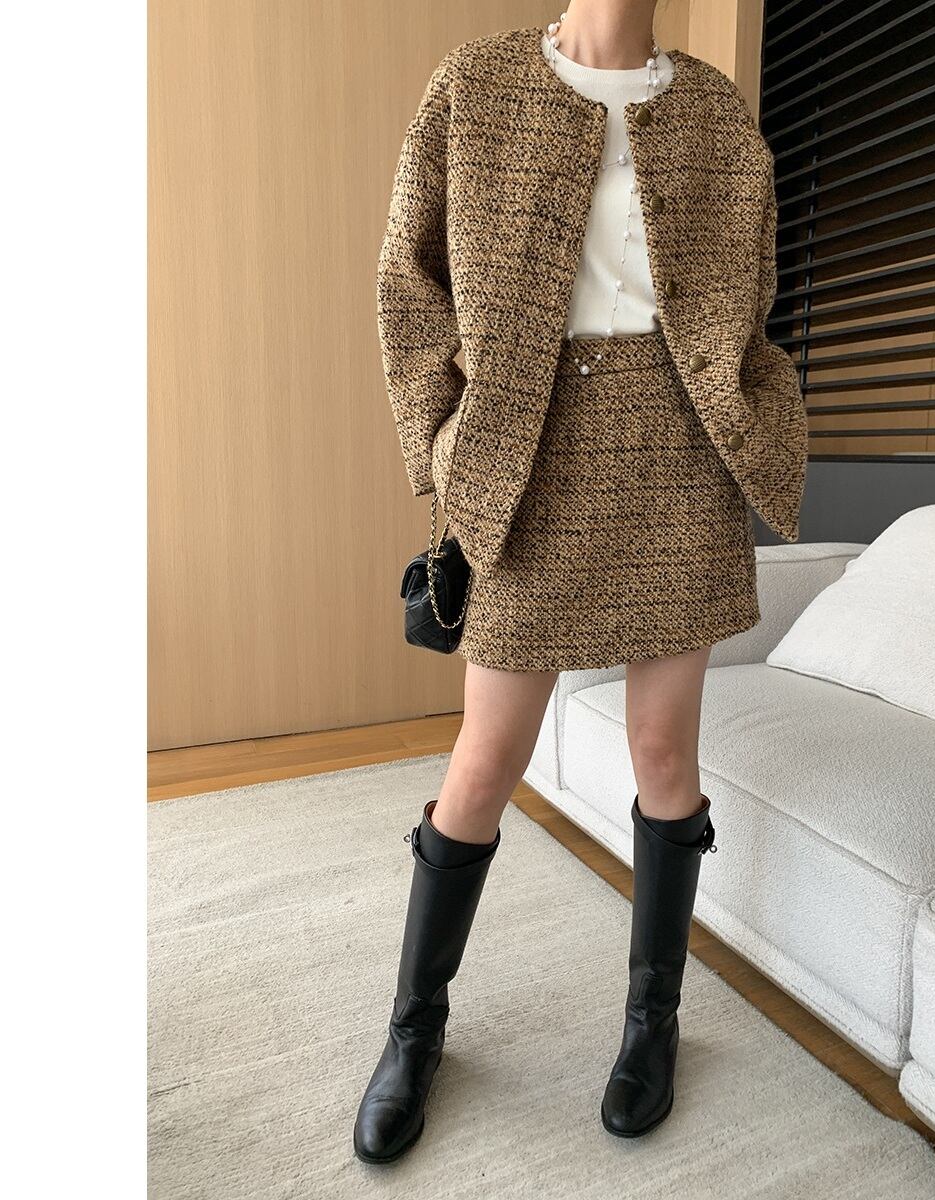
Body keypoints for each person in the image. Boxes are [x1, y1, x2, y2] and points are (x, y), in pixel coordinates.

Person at [354, 0, 808, 1164]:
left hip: (678, 455)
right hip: (531, 449)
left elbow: (752, 300)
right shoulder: (475, 85)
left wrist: (761, 416)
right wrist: (444, 443)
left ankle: (653, 1023)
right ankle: (415, 1029)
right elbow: (409, 283)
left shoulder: (717, 113)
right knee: (484, 760)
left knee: (663, 754)